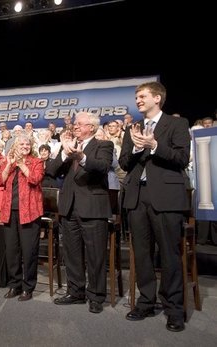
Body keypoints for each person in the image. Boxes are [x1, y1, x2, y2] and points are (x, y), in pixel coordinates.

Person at [119, 81, 190, 332]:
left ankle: (173, 309)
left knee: (170, 255)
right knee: (141, 253)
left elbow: (181, 157)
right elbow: (124, 163)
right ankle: (146, 302)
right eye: (136, 97)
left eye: (142, 96)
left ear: (157, 98)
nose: (138, 100)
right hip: (137, 198)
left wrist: (155, 146)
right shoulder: (133, 128)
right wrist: (138, 147)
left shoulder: (177, 124)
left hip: (166, 198)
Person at [47, 111, 113, 314]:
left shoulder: (103, 145)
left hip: (93, 208)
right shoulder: (68, 147)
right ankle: (76, 292)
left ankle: (96, 296)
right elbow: (51, 170)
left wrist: (81, 157)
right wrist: (65, 153)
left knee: (95, 255)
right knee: (72, 254)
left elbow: (102, 167)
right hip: (68, 207)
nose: (75, 126)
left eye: (79, 124)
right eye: (75, 124)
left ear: (91, 127)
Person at [0, 134, 44, 301]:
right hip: (9, 212)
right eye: (21, 144)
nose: (25, 146)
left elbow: (35, 179)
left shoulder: (36, 162)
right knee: (12, 252)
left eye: (27, 144)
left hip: (30, 213)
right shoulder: (8, 162)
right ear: (15, 147)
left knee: (29, 252)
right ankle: (14, 285)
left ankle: (28, 287)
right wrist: (9, 165)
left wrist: (22, 164)